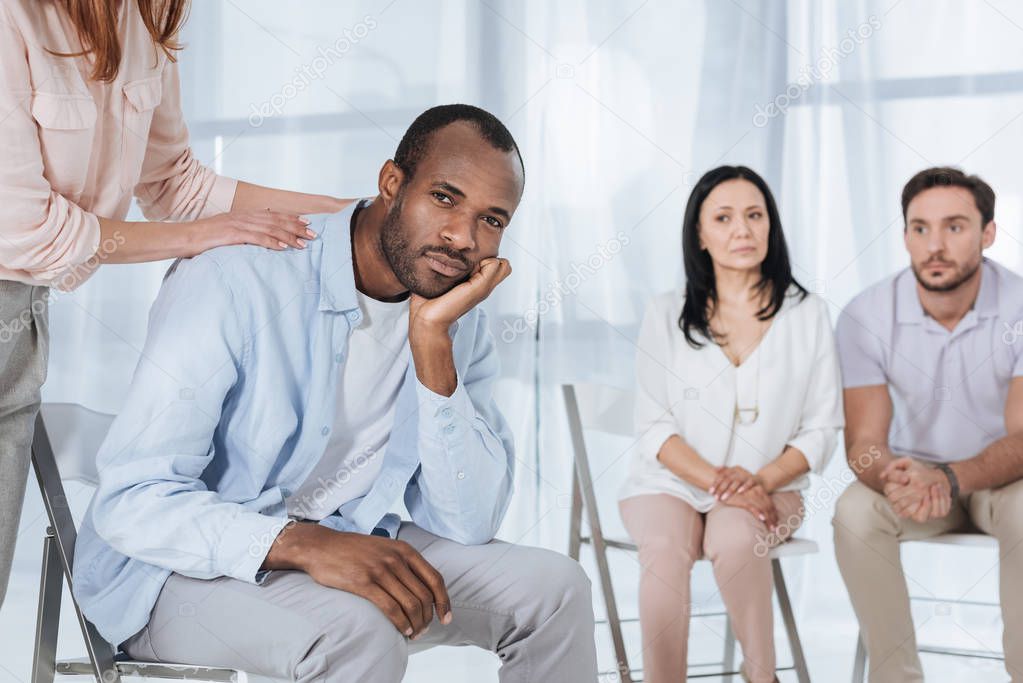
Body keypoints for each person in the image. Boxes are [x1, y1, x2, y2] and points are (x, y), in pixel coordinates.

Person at [72, 104, 598, 682]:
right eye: (445, 198)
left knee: (555, 590)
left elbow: (467, 522)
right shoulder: (235, 278)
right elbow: (133, 500)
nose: (462, 238)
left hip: (349, 543)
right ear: (392, 183)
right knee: (357, 629)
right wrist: (299, 542)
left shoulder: (453, 311)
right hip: (174, 580)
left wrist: (432, 346)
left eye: (492, 220)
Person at [0, 0, 348, 609]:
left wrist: (357, 218)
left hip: (22, 322)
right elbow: (25, 225)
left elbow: (174, 183)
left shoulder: (146, 18)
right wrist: (198, 237)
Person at [618, 165, 843, 683]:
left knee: (737, 538)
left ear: (771, 226)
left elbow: (821, 429)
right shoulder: (665, 312)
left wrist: (757, 483)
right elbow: (654, 426)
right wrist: (720, 483)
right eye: (723, 217)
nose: (742, 229)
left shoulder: (807, 314)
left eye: (754, 215)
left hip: (773, 489)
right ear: (700, 233)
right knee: (667, 551)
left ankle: (761, 675)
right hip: (667, 485)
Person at [833, 167, 1023, 683]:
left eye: (954, 227)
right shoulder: (865, 315)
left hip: (1004, 483)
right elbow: (864, 443)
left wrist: (954, 478)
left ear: (988, 233)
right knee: (854, 511)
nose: (934, 245)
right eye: (920, 229)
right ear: (904, 236)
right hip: (914, 482)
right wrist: (892, 476)